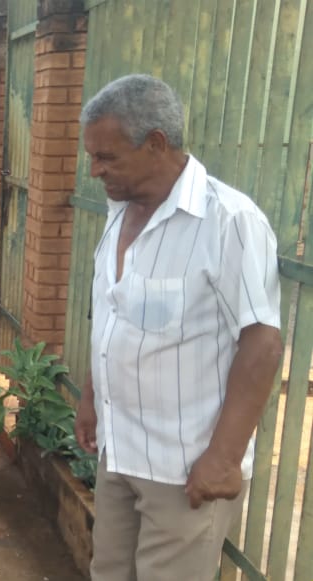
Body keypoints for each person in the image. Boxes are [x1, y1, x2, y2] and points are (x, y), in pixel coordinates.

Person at [74, 74, 283, 581]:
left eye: (107, 157)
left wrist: (224, 459)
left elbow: (262, 344)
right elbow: (112, 312)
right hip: (121, 451)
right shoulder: (119, 210)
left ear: (156, 144)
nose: (95, 169)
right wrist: (91, 395)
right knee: (109, 572)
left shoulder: (228, 221)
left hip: (186, 470)